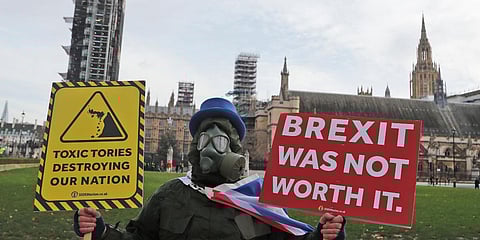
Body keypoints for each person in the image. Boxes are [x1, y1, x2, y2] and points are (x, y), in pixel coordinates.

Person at [74, 98, 346, 240]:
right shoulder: (170, 195)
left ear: (235, 148)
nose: (210, 149)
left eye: (220, 139)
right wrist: (100, 231)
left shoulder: (260, 197)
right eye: (204, 138)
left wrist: (323, 236)